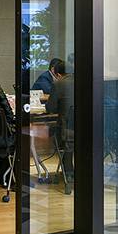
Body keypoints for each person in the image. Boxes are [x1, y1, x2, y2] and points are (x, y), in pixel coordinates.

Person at [45, 61, 75, 194]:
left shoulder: (59, 84)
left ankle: (68, 173)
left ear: (58, 74)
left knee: (61, 141)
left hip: (67, 130)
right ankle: (70, 173)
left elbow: (50, 108)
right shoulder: (84, 82)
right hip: (87, 130)